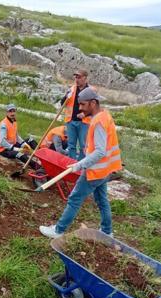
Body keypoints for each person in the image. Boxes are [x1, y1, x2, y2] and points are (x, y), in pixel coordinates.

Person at [40, 87, 122, 239]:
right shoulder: (105, 115)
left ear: (92, 103)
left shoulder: (98, 122)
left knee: (74, 199)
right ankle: (107, 231)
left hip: (95, 170)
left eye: (83, 104)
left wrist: (79, 164)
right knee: (102, 199)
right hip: (105, 170)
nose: (81, 108)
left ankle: (58, 230)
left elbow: (100, 151)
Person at [59, 69, 90, 160]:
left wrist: (86, 114)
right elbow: (62, 103)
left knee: (83, 145)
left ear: (84, 78)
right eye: (75, 77)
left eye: (79, 77)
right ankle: (71, 163)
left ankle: (80, 164)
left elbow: (94, 108)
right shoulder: (71, 89)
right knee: (71, 144)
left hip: (84, 122)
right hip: (71, 121)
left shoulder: (90, 91)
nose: (77, 79)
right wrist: (66, 96)